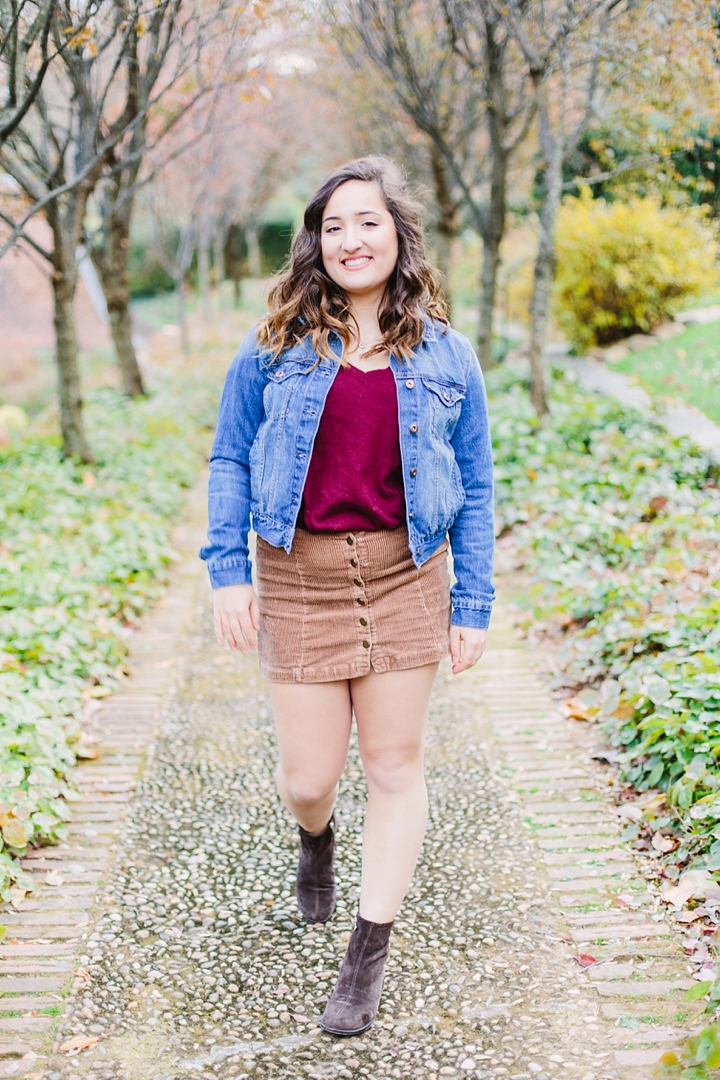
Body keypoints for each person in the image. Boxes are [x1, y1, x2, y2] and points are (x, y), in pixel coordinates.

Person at [199, 155, 494, 1037]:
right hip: (299, 577)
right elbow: (228, 456)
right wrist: (227, 572)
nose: (350, 239)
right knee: (308, 777)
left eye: (367, 221)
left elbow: (476, 482)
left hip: (407, 576)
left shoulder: (448, 354)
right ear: (314, 245)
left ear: (398, 235)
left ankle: (366, 955)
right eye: (333, 226)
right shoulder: (273, 350)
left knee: (396, 767)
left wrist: (471, 601)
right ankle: (316, 839)